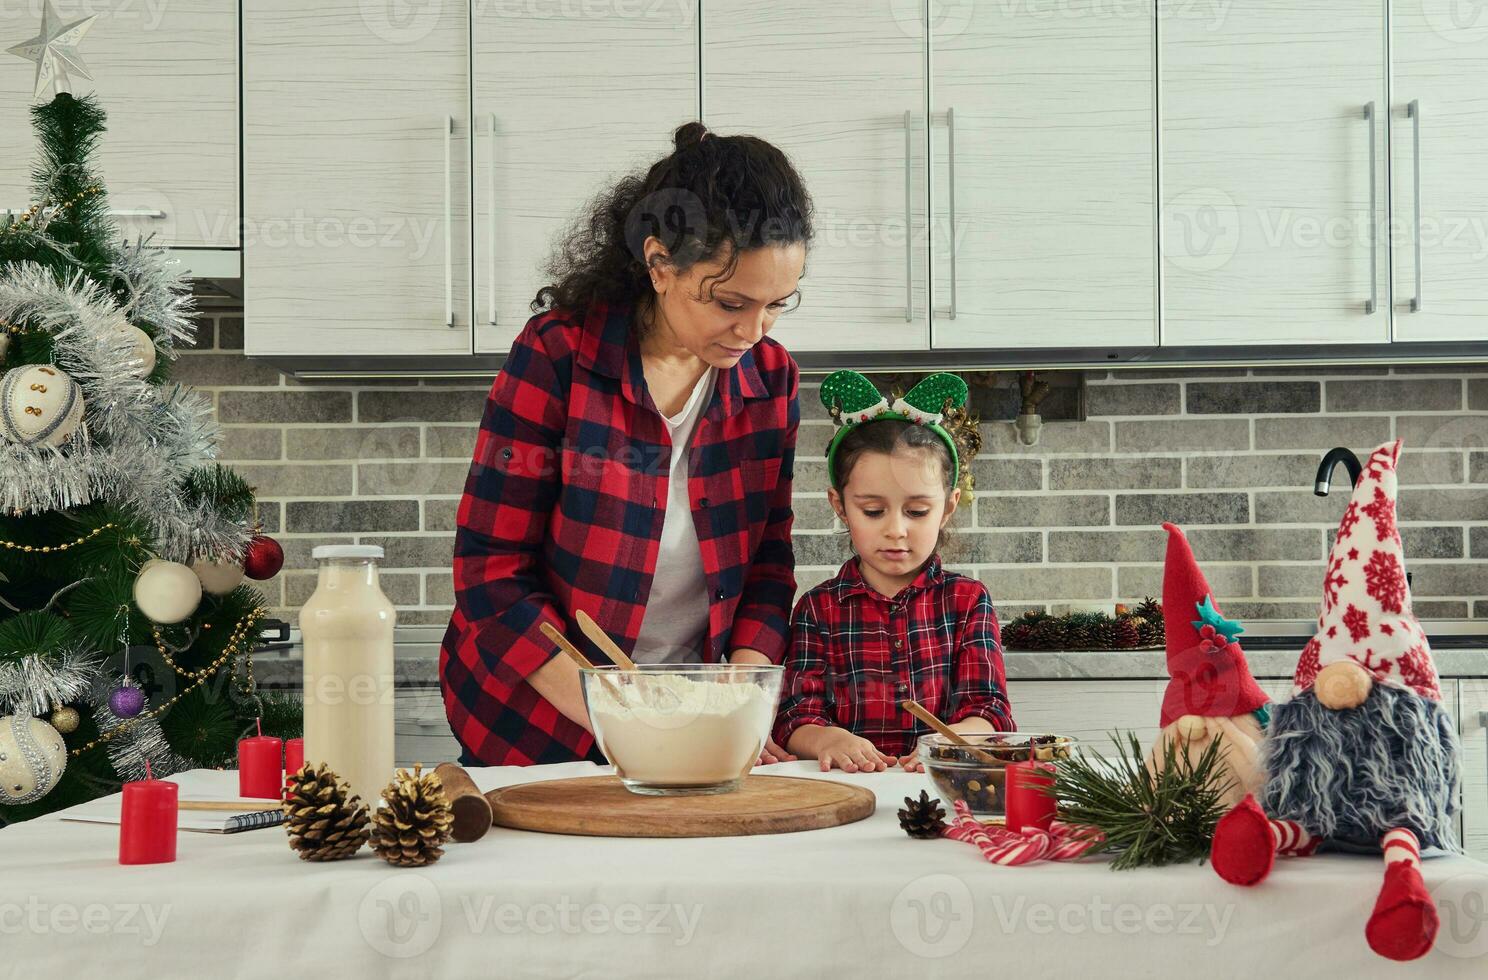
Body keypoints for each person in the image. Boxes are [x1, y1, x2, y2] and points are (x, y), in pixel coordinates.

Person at [441, 121, 812, 766]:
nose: (754, 330)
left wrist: (742, 700)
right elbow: (491, 573)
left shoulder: (770, 379)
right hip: (536, 730)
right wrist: (624, 721)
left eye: (779, 303)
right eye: (729, 302)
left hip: (694, 728)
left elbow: (767, 566)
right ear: (660, 265)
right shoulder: (560, 355)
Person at [772, 371, 1013, 773]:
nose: (896, 529)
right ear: (839, 505)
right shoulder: (817, 609)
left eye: (917, 512)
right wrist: (827, 738)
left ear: (948, 506)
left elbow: (989, 712)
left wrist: (948, 743)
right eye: (873, 511)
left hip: (942, 784)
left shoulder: (968, 600)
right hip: (846, 789)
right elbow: (795, 716)